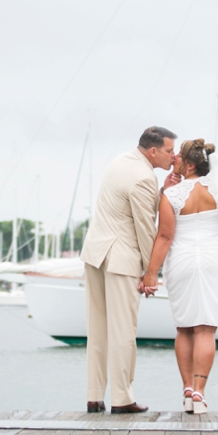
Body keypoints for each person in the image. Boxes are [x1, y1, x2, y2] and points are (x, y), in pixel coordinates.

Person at [139, 139, 218, 415]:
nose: (173, 159)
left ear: (189, 165)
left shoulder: (172, 195)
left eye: (178, 157)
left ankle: (187, 389)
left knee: (184, 328)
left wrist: (151, 274)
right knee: (206, 328)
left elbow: (164, 236)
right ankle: (200, 393)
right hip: (213, 261)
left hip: (182, 262)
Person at [79, 126, 179, 414]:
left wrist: (162, 191)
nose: (173, 157)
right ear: (153, 151)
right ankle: (122, 398)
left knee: (97, 330)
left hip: (95, 253)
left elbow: (127, 204)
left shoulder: (121, 161)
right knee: (123, 331)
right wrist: (151, 273)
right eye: (169, 151)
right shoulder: (144, 178)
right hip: (121, 259)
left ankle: (94, 396)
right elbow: (146, 228)